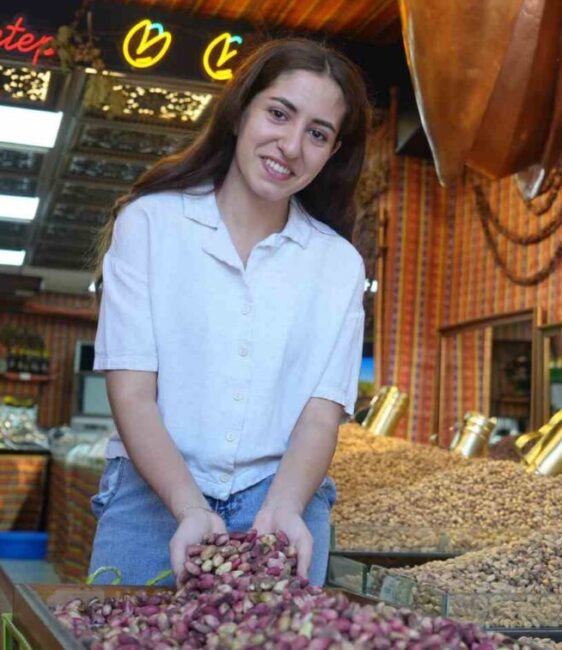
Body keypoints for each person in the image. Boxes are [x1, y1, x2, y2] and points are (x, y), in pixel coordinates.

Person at [88, 38, 371, 588]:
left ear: (333, 152)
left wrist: (286, 505)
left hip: (283, 494)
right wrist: (189, 507)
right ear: (241, 111)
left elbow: (320, 415)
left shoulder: (339, 265)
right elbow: (132, 394)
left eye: (318, 134)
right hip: (153, 491)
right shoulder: (150, 224)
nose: (291, 145)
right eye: (279, 113)